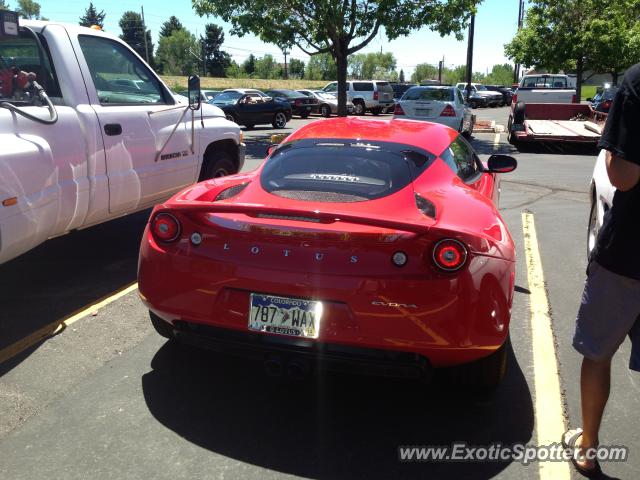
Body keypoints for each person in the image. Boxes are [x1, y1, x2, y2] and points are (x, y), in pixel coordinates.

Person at [562, 64, 640, 477]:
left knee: (598, 352)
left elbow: (623, 177)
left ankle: (588, 448)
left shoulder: (636, 82)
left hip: (629, 253)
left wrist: (612, 149)